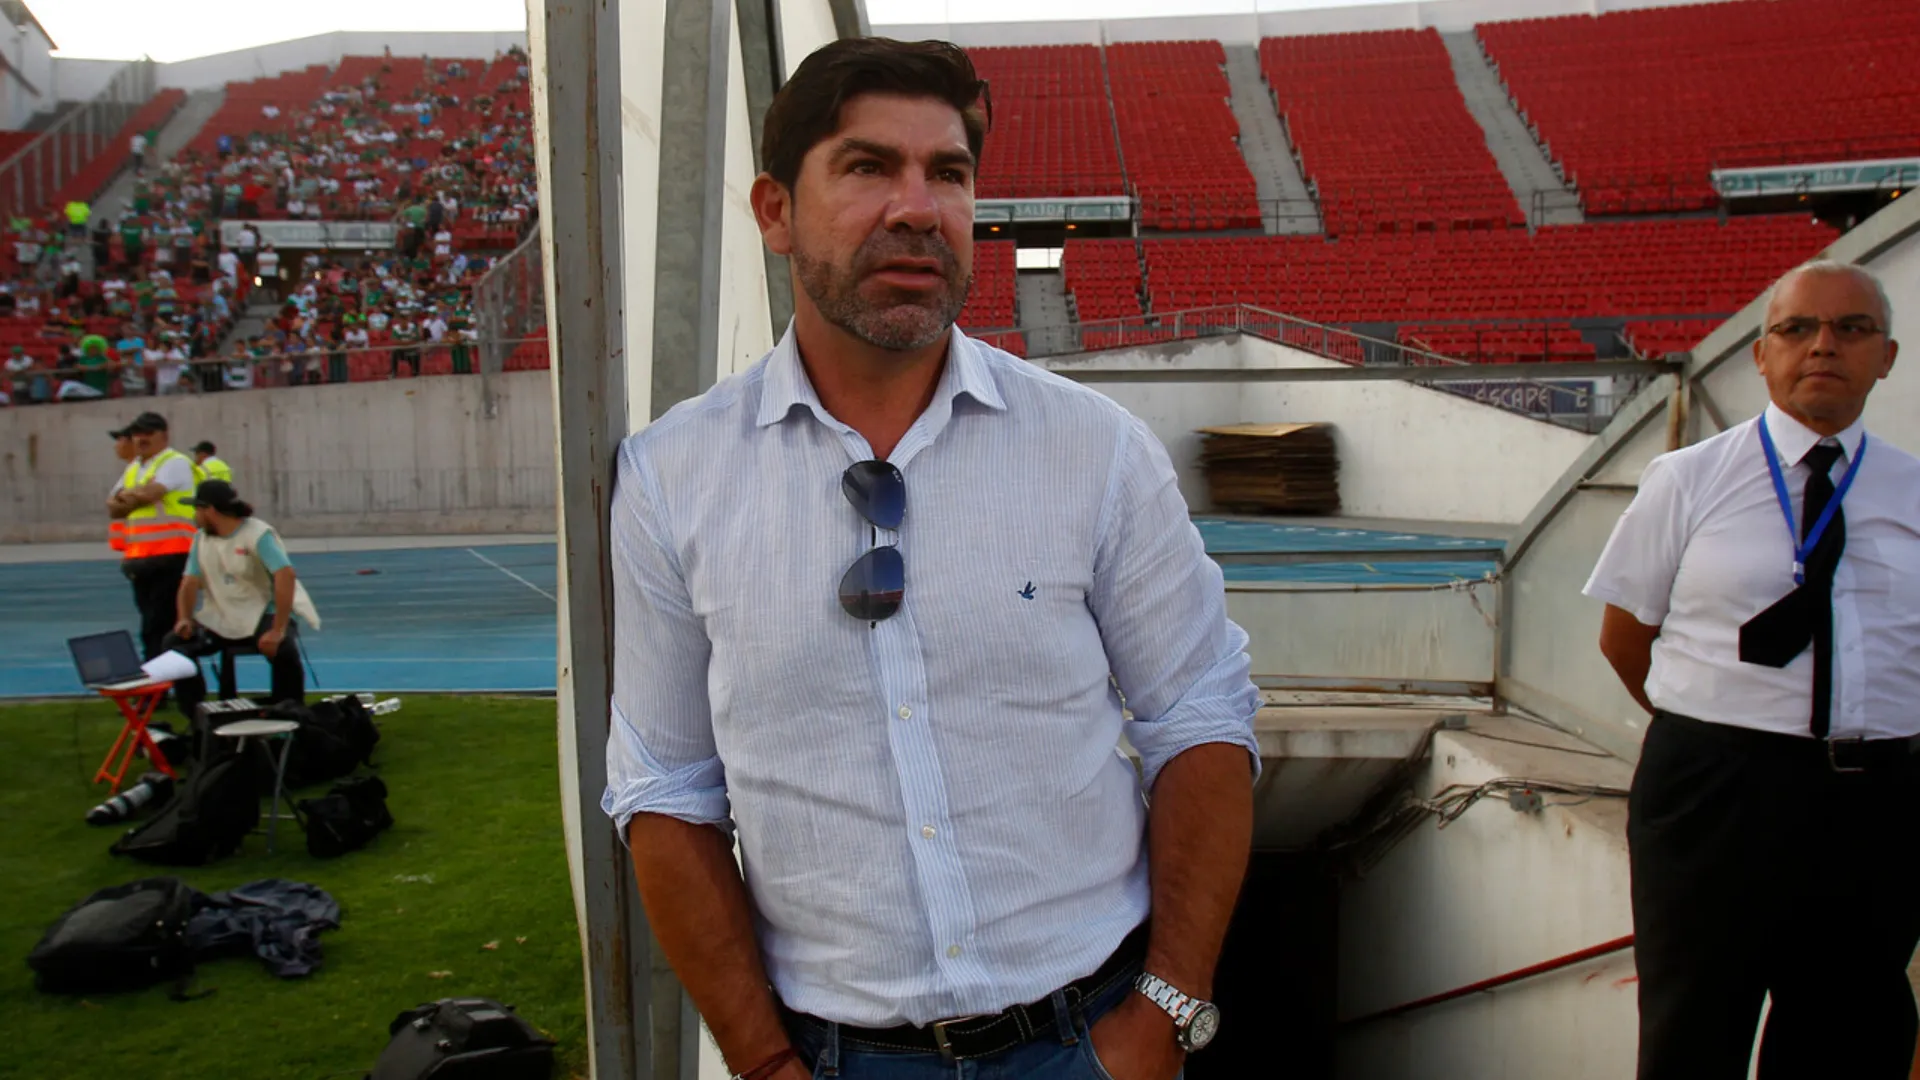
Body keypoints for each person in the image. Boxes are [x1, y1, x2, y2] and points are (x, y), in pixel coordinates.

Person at [603, 38, 1258, 1080]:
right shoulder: (671, 477)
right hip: (837, 1055)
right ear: (775, 212)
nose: (919, 208)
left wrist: (1164, 1014)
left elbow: (1202, 723)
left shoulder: (1095, 450)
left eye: (948, 174)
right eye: (868, 168)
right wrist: (763, 1064)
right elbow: (667, 795)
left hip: (1093, 1040)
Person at [1585, 260, 1915, 1079]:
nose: (1823, 346)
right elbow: (1626, 638)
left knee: (1850, 1034)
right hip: (1717, 792)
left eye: (1851, 329)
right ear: (1761, 356)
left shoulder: (1914, 490)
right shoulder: (1687, 480)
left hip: (1879, 801)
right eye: (1796, 329)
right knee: (1694, 1030)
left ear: (1889, 357)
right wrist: (1714, 730)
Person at [163, 479, 319, 721]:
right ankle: (196, 715)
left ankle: (289, 713)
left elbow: (285, 575)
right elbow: (189, 581)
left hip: (262, 613)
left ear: (210, 510)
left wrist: (277, 629)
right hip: (222, 615)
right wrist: (184, 618)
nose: (194, 515)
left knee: (283, 648)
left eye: (197, 509)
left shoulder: (257, 535)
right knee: (175, 644)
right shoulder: (201, 539)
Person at [110, 412, 206, 660]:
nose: (140, 438)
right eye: (136, 434)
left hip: (172, 554)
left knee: (164, 625)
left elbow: (154, 492)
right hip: (142, 558)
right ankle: (164, 684)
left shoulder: (174, 461)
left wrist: (129, 497)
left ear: (164, 435)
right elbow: (113, 506)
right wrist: (135, 496)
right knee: (152, 626)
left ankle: (172, 685)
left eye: (147, 433)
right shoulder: (135, 467)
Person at [107, 425, 142, 556]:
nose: (116, 446)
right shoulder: (131, 469)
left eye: (120, 440)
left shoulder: (140, 468)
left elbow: (119, 501)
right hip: (133, 543)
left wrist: (117, 499)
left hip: (142, 543)